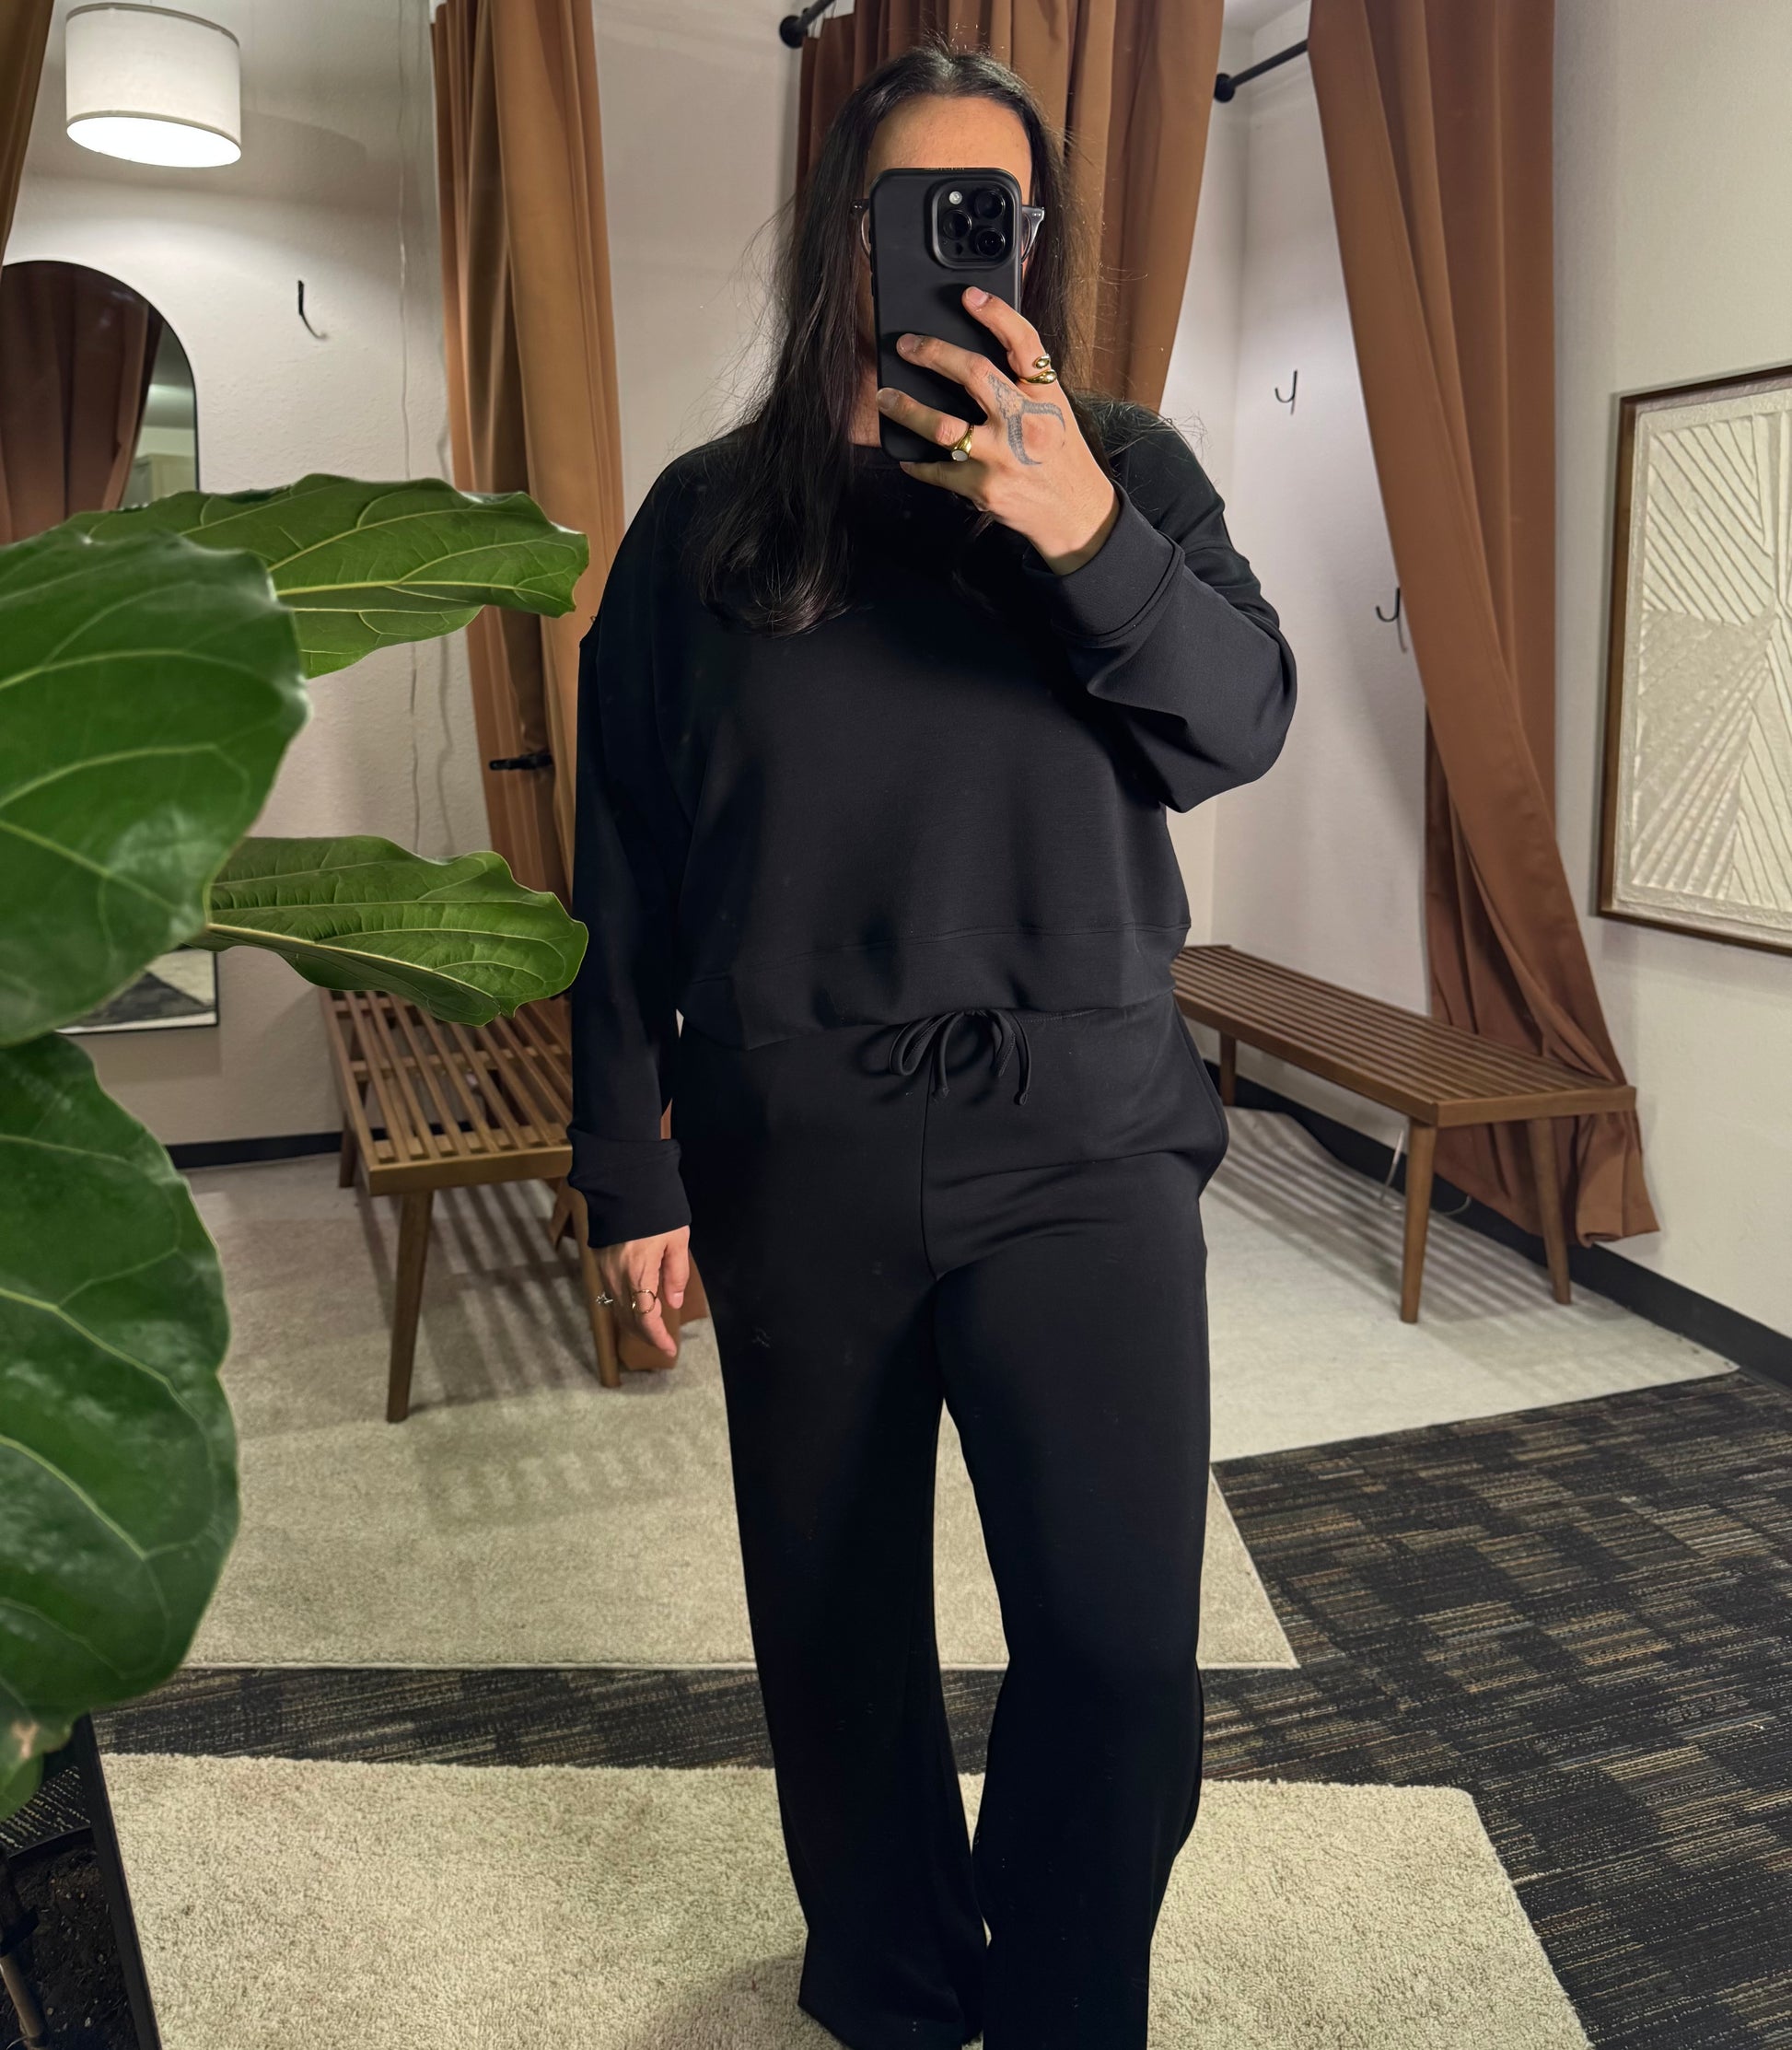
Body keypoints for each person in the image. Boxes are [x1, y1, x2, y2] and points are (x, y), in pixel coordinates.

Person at [567, 41, 1297, 2050]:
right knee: (835, 1636)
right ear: (849, 229)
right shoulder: (706, 519)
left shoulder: (1124, 472)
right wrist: (625, 1164)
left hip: (1086, 1133)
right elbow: (622, 860)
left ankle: (1063, 2004)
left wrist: (1080, 528)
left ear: (1032, 245)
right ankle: (890, 1990)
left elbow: (1238, 722)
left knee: (1121, 1648)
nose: (965, 248)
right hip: (790, 1137)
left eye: (1001, 214)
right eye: (925, 208)